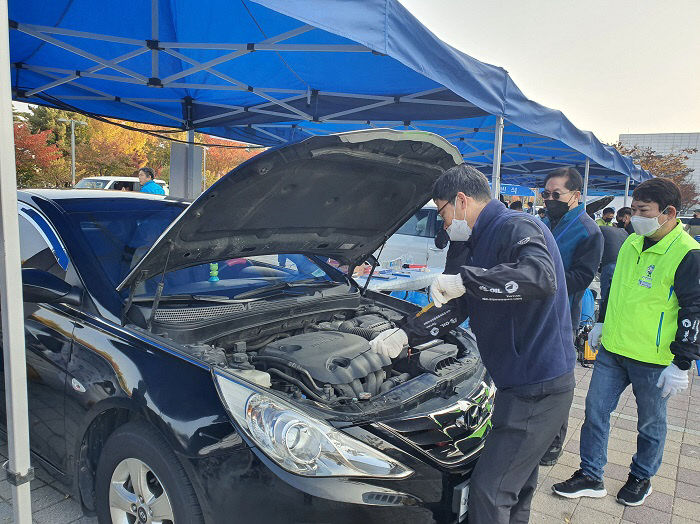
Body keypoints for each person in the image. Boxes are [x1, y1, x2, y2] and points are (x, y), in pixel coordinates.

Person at [369, 164, 575, 524]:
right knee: (517, 486)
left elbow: (540, 278)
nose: (444, 225)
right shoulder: (473, 240)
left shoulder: (515, 226)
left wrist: (468, 279)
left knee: (490, 491)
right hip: (518, 379)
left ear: (461, 201)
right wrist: (406, 334)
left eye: (444, 214)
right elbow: (458, 304)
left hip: (536, 384)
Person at [552, 178, 700, 506]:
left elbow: (695, 309)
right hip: (613, 350)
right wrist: (602, 322)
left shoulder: (688, 254)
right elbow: (615, 288)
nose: (635, 217)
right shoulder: (633, 241)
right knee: (595, 412)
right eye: (633, 209)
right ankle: (590, 474)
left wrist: (682, 362)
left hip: (654, 357)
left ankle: (641, 476)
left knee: (650, 423)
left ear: (669, 212)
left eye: (643, 210)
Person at [540, 167, 604, 466]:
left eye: (557, 195)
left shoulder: (588, 231)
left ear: (576, 195)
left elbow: (581, 277)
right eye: (546, 194)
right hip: (534, 311)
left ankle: (553, 441)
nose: (550, 199)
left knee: (557, 380)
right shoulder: (544, 222)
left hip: (562, 315)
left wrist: (539, 279)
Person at [597, 224, 629, 320]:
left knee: (605, 295)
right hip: (625, 264)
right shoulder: (623, 231)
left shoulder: (598, 229)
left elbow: (595, 248)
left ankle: (604, 318)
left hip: (610, 263)